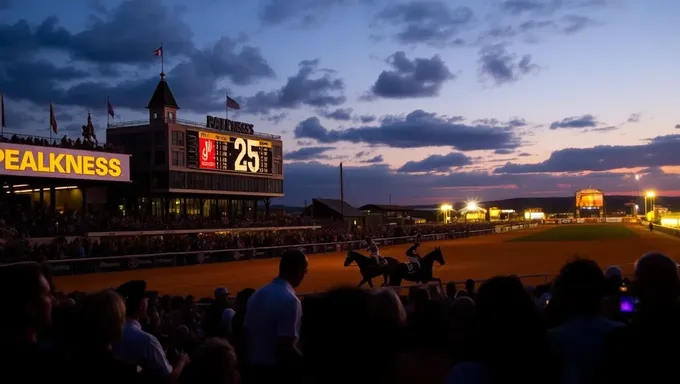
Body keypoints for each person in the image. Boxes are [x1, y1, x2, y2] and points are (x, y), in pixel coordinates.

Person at [243, 249, 308, 383]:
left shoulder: (257, 295)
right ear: (298, 271)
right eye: (305, 271)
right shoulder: (291, 300)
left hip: (251, 369)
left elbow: (245, 335)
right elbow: (285, 348)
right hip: (274, 373)